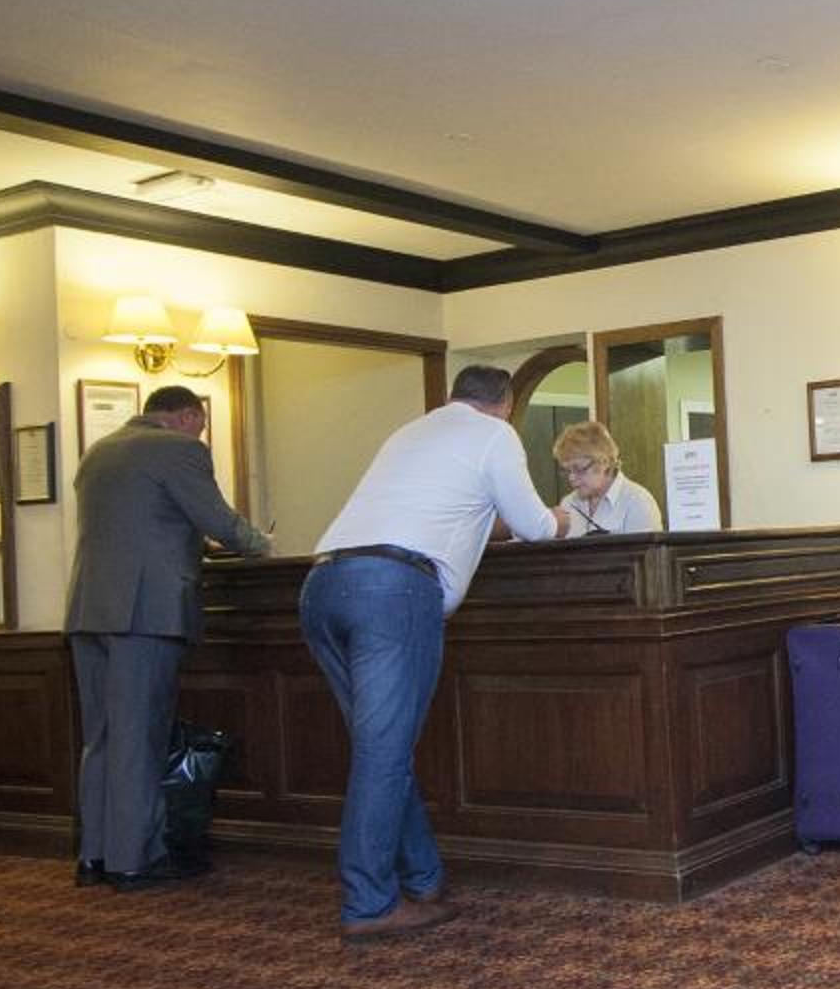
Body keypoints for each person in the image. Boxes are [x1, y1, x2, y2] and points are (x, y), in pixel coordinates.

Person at [301, 364, 568, 941]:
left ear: (453, 397)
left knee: (382, 749)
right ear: (507, 404)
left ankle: (424, 878)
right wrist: (564, 519)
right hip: (393, 592)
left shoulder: (413, 431)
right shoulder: (494, 433)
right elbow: (537, 527)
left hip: (323, 583)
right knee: (383, 753)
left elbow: (448, 513)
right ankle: (369, 904)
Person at [64, 383, 270, 890]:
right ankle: (135, 859)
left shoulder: (98, 452)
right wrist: (264, 545)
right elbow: (220, 521)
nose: (201, 435)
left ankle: (95, 855)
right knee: (140, 736)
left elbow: (142, 524)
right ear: (187, 417)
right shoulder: (177, 449)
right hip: (146, 611)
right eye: (201, 425)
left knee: (101, 737)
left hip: (89, 609)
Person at [551, 420, 663, 535]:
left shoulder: (638, 502)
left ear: (604, 462)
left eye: (579, 469)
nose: (571, 478)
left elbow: (646, 547)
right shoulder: (568, 504)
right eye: (567, 470)